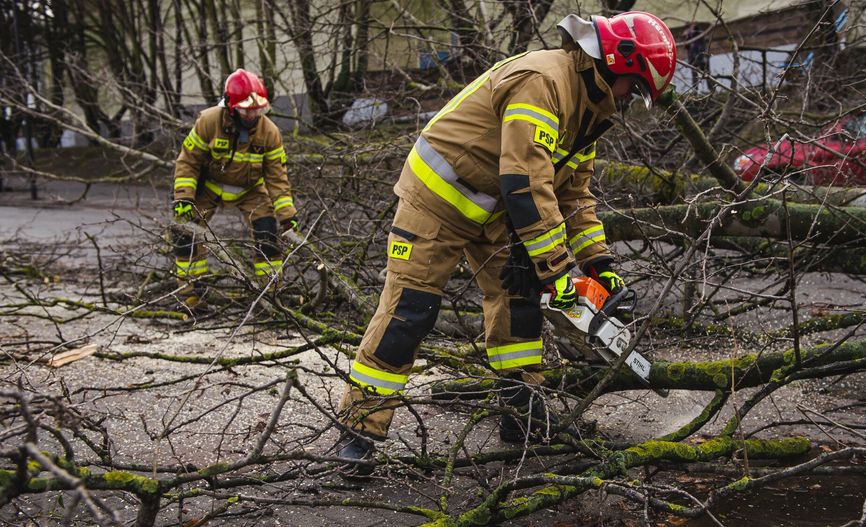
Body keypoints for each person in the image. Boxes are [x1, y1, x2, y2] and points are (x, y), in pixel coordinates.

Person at [335, 12, 676, 469]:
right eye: (633, 87)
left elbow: (574, 196)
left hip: (498, 206)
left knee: (519, 302)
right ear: (617, 62)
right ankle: (359, 428)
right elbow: (525, 180)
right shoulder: (543, 81)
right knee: (411, 309)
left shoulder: (589, 111)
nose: (629, 97)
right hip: (438, 198)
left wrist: (600, 266)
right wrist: (557, 269)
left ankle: (520, 410)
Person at [171, 68, 298, 308]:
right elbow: (188, 161)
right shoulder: (209, 122)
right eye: (246, 110)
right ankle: (191, 294)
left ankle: (271, 294)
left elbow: (277, 178)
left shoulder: (270, 132)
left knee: (267, 234)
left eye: (257, 110)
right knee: (184, 233)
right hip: (209, 187)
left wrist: (287, 216)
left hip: (251, 190)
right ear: (230, 105)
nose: (252, 115)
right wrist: (184, 199)